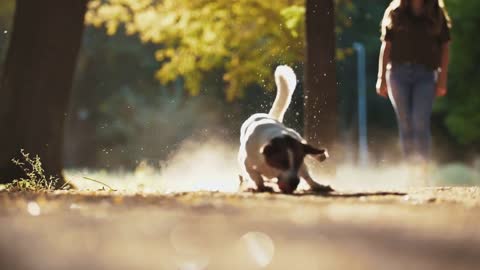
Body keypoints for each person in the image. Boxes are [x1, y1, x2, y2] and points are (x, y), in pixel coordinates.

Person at [376, 0, 451, 166]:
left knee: (420, 121)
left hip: (425, 75)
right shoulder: (395, 12)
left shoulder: (436, 13)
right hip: (397, 74)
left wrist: (442, 78)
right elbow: (386, 46)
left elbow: (445, 46)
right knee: (405, 123)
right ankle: (410, 167)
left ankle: (422, 167)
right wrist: (381, 78)